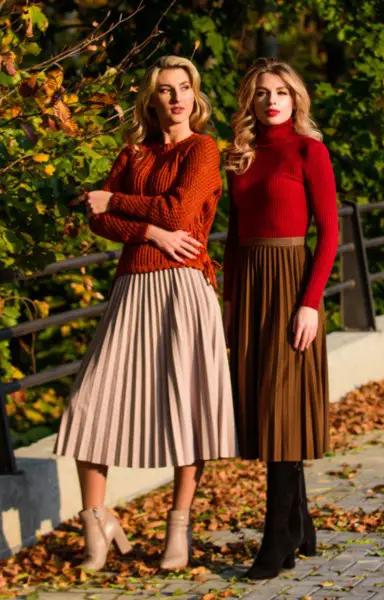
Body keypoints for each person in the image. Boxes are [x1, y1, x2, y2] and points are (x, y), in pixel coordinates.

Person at [55, 55, 237, 572]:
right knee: (89, 406)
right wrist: (148, 231)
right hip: (133, 285)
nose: (176, 98)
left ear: (194, 96)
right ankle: (98, 519)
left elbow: (180, 212)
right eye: (164, 90)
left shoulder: (203, 149)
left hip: (185, 287)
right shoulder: (133, 152)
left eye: (183, 88)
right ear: (150, 98)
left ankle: (178, 530)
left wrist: (117, 199)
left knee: (187, 407)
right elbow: (98, 220)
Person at [223, 57, 339, 579]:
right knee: (264, 406)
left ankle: (277, 541)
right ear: (251, 99)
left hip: (292, 284)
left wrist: (310, 302)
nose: (272, 100)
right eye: (264, 92)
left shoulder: (309, 151)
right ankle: (300, 521)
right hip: (250, 287)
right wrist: (227, 305)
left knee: (282, 408)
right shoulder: (240, 157)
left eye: (282, 93)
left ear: (296, 100)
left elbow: (330, 234)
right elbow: (230, 236)